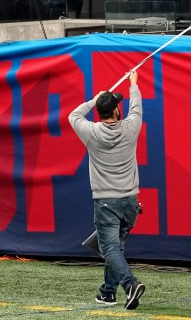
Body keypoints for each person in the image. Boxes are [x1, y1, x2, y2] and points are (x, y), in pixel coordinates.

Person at [68, 70, 146, 310]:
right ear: (116, 111)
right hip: (130, 201)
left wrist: (94, 99)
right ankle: (108, 293)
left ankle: (130, 284)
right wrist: (134, 83)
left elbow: (73, 114)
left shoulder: (90, 132)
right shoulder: (131, 127)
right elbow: (136, 106)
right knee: (116, 249)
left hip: (105, 203)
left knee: (109, 249)